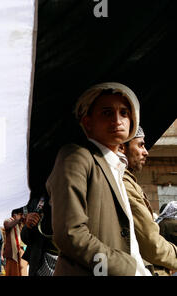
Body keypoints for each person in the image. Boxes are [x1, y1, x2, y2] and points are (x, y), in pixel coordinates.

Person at [47, 82, 150, 276]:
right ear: (88, 122)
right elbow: (70, 234)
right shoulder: (77, 157)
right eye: (106, 112)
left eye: (124, 113)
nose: (117, 120)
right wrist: (124, 268)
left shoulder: (117, 168)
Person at [120, 127, 177, 275]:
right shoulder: (123, 184)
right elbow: (151, 244)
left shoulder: (127, 181)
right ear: (121, 148)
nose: (146, 152)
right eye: (140, 145)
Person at [20, 191, 58, 276]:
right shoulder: (38, 200)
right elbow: (25, 238)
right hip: (39, 261)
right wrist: (28, 225)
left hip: (66, 261)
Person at [3, 207, 27, 276]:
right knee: (12, 272)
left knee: (22, 271)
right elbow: (8, 226)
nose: (22, 216)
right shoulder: (7, 221)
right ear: (14, 215)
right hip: (12, 252)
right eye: (20, 214)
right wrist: (18, 219)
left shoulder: (20, 223)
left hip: (21, 250)